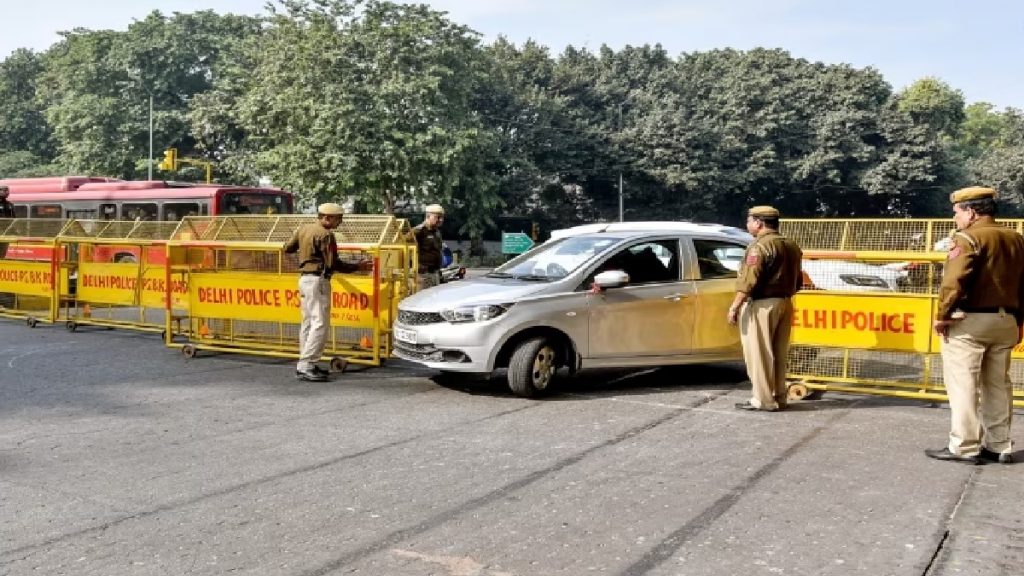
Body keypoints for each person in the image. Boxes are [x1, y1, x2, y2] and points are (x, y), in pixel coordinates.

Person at [926, 186, 1024, 464]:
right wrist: (1019, 321)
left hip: (970, 322)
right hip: (1007, 320)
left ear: (971, 212)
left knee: (964, 384)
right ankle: (999, 445)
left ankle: (965, 446)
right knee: (998, 384)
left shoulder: (967, 238)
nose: (954, 216)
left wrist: (942, 315)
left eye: (956, 211)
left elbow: (953, 282)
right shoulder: (1016, 238)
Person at [727, 205, 804, 412]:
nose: (747, 224)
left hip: (762, 305)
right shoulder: (791, 245)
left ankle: (762, 400)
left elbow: (748, 282)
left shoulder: (758, 247)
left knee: (759, 354)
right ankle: (780, 396)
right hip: (785, 302)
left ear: (759, 223)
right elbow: (798, 281)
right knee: (779, 353)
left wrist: (734, 306)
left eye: (749, 221)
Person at [284, 203, 371, 382]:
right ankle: (306, 365)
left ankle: (307, 363)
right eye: (338, 219)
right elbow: (333, 264)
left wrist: (303, 260)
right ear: (327, 218)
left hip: (305, 279)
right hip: (318, 281)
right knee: (320, 324)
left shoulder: (303, 229)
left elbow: (287, 248)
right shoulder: (326, 235)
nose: (340, 223)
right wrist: (357, 266)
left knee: (308, 323)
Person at [412, 204, 445, 290]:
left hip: (435, 274)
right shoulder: (418, 231)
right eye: (437, 217)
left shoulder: (436, 232)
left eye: (442, 217)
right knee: (423, 301)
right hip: (423, 276)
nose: (440, 220)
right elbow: (407, 250)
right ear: (428, 216)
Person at [0, 186, 14, 259]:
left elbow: (14, 219)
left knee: (3, 252)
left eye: (7, 190)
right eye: (4, 190)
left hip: (6, 232)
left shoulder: (10, 205)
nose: (7, 192)